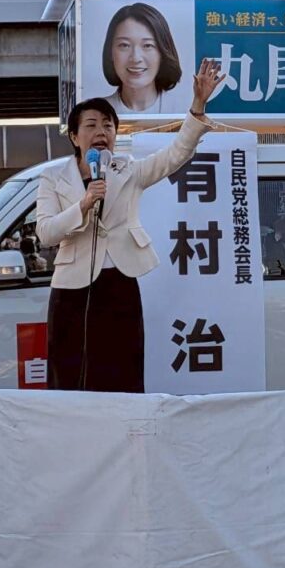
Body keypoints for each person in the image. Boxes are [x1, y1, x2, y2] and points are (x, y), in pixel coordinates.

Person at [36, 59, 223, 393]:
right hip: (71, 288)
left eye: (108, 125)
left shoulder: (128, 170)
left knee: (122, 368)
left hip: (120, 283)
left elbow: (176, 154)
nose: (101, 132)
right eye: (91, 125)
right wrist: (84, 203)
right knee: (70, 371)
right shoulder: (53, 177)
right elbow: (47, 233)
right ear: (75, 136)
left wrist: (197, 105)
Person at [102, 3, 182, 114]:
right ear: (110, 52)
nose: (135, 58)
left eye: (147, 45)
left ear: (162, 53)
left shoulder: (182, 111)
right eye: (124, 45)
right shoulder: (96, 112)